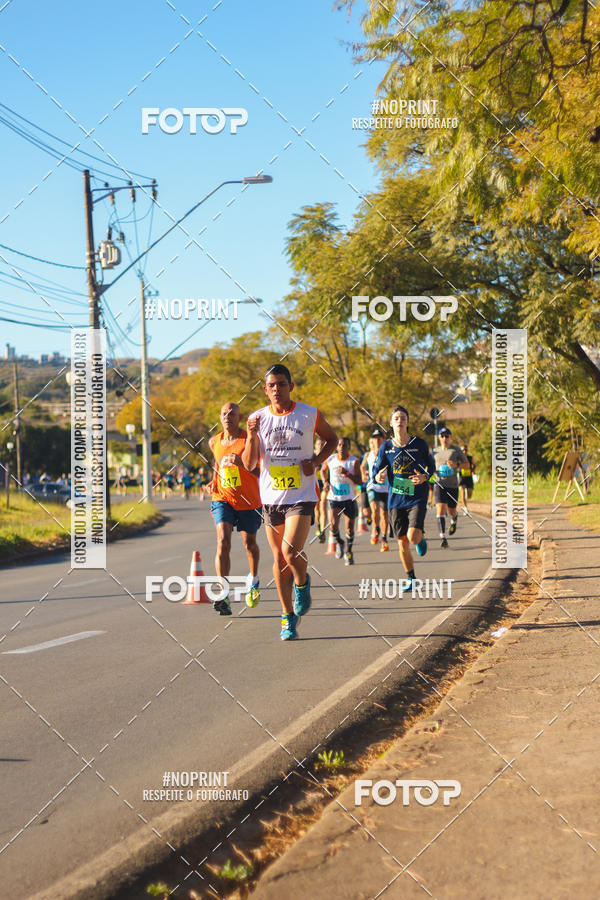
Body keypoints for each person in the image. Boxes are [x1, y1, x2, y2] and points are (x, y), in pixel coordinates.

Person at [242, 364, 337, 640]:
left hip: (302, 495)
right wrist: (250, 435)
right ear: (264, 389)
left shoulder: (308, 414)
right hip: (271, 498)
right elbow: (249, 464)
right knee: (279, 560)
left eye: (281, 384)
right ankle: (287, 618)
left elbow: (332, 439)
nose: (276, 390)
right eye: (271, 385)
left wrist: (317, 462)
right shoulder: (257, 419)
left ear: (290, 386)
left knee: (290, 553)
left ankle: (302, 583)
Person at [373, 405, 435, 591]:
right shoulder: (386, 447)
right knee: (402, 542)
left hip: (417, 496)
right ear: (391, 423)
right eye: (396, 418)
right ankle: (411, 578)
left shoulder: (419, 444)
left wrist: (425, 476)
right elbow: (376, 472)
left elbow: (431, 467)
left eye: (403, 418)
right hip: (396, 500)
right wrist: (379, 477)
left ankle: (420, 538)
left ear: (407, 422)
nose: (400, 421)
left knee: (412, 537)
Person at [209, 402, 262, 615]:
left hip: (249, 501)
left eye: (232, 413)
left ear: (239, 418)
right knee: (223, 540)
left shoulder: (249, 440)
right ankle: (223, 594)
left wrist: (241, 463)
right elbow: (217, 464)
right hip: (222, 498)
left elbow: (260, 472)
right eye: (224, 413)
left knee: (249, 544)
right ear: (220, 417)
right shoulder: (214, 441)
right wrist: (213, 480)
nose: (228, 416)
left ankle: (254, 579)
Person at [321, 437, 362, 565]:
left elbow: (359, 481)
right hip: (334, 498)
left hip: (349, 499)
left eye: (344, 445)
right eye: (339, 445)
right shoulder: (331, 458)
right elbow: (323, 470)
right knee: (333, 525)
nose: (341, 448)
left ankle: (349, 552)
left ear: (348, 447)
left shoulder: (354, 461)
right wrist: (325, 482)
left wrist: (346, 473)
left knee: (349, 528)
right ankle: (339, 541)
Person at [432, 427, 469, 547]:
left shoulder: (456, 450)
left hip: (452, 485)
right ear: (439, 438)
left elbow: (467, 465)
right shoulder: (434, 452)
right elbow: (429, 465)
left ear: (450, 437)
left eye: (447, 436)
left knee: (451, 510)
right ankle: (443, 537)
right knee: (440, 509)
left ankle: (454, 518)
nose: (444, 438)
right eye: (442, 436)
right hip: (439, 484)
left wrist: (456, 465)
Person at [361, 428, 390, 552]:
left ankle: (384, 538)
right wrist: (364, 475)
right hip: (372, 486)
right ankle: (375, 527)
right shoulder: (368, 454)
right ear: (372, 440)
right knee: (375, 510)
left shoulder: (388, 453)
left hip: (386, 488)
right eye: (375, 438)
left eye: (379, 438)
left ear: (383, 440)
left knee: (384, 514)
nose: (377, 440)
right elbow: (362, 466)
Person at [314, 436, 329, 543]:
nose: (321, 447)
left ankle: (323, 530)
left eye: (323, 445)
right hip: (314, 485)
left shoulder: (328, 457)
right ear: (315, 446)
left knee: (323, 505)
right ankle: (319, 527)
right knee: (316, 509)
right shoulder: (311, 456)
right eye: (319, 445)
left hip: (324, 484)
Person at [459, 444, 476, 512]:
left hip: (469, 477)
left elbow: (474, 465)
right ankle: (465, 507)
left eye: (465, 450)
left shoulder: (470, 458)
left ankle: (465, 502)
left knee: (469, 495)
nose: (464, 451)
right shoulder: (459, 458)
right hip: (461, 478)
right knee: (462, 494)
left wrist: (473, 471)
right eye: (462, 450)